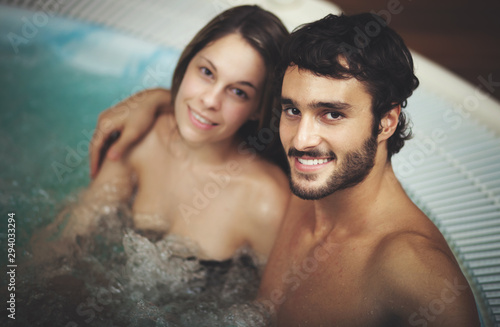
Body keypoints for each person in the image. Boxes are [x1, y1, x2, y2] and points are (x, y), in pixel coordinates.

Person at [90, 13, 480, 327]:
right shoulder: (302, 189)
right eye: (293, 109)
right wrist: (157, 100)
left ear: (386, 122)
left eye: (332, 114)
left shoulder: (415, 273)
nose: (301, 139)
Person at [36, 5, 290, 264]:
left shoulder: (265, 201)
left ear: (258, 110)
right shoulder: (142, 138)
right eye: (206, 72)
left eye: (238, 92)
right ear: (187, 61)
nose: (210, 100)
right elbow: (67, 241)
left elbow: (271, 302)